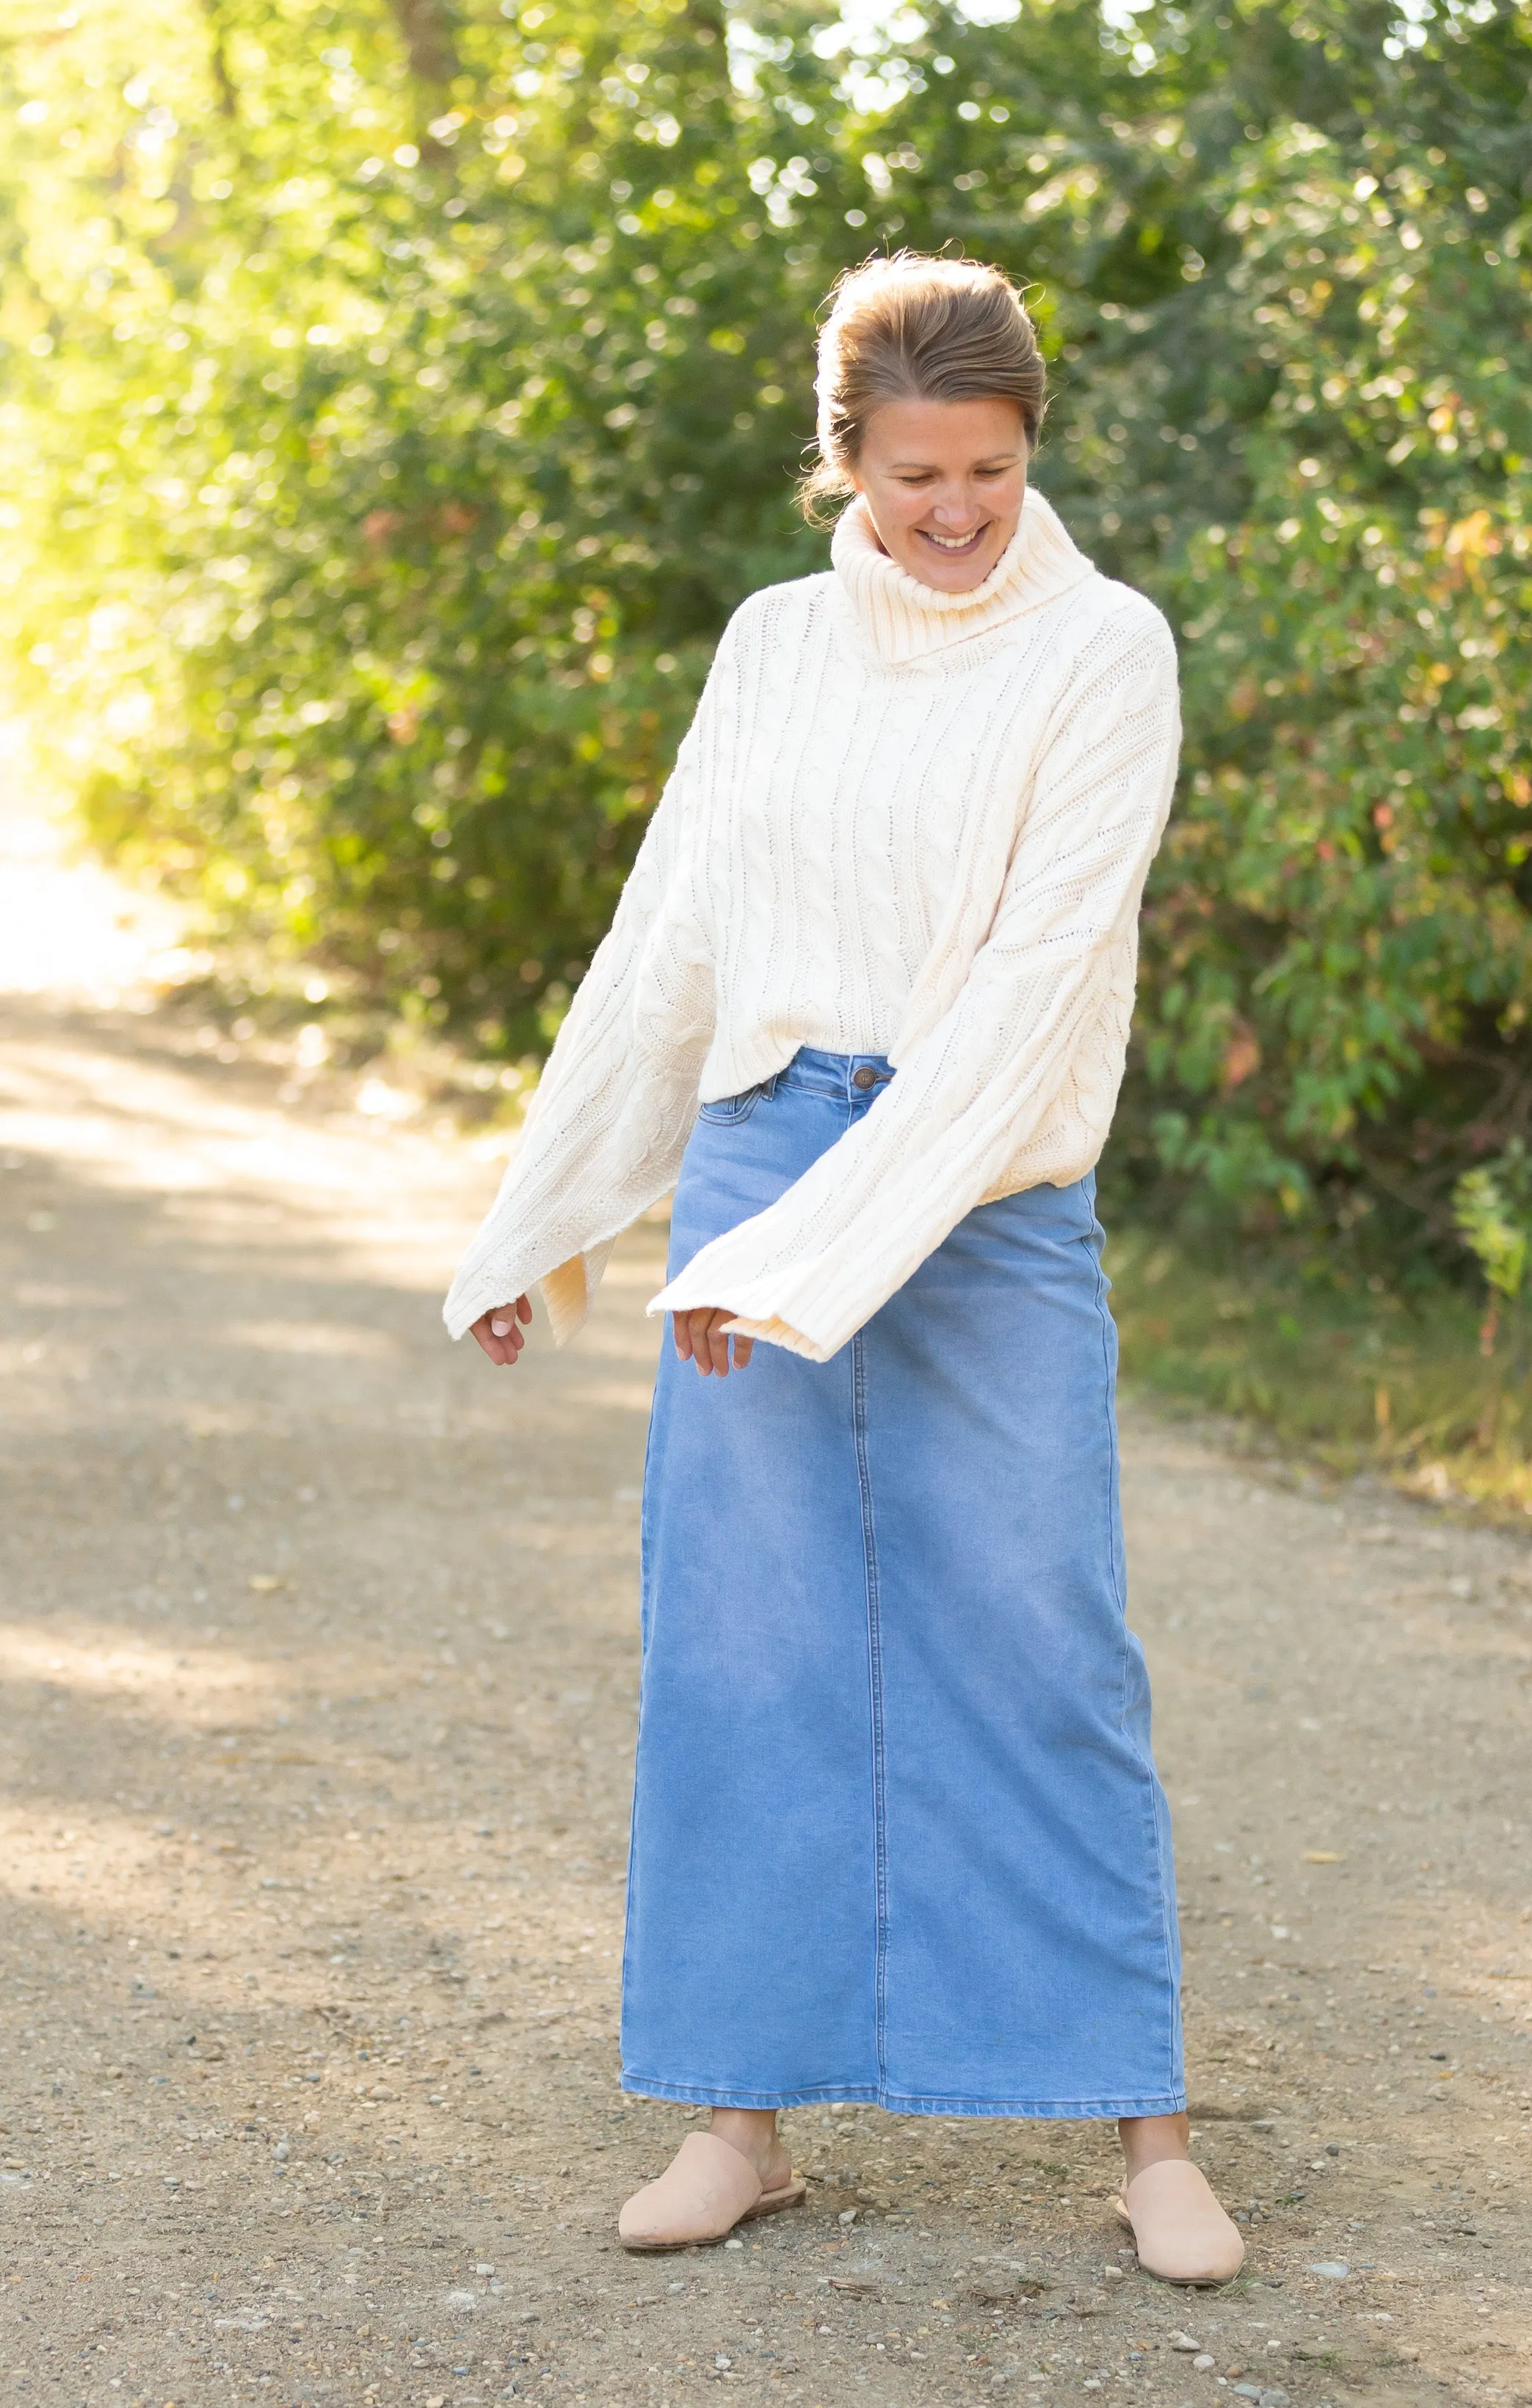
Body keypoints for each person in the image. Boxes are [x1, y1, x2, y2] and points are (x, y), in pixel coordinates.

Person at [443, 253, 1244, 2286]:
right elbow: (672, 939)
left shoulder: (1103, 652)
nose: (953, 512)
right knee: (745, 1648)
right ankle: (739, 2118)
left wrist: (817, 1255)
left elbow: (1032, 996)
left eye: (983, 469)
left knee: (1046, 1644)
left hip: (978, 1197)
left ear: (1028, 448)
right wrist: (554, 1211)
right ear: (845, 463)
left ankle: (1141, 2131)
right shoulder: (773, 646)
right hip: (757, 1159)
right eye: (910, 477)